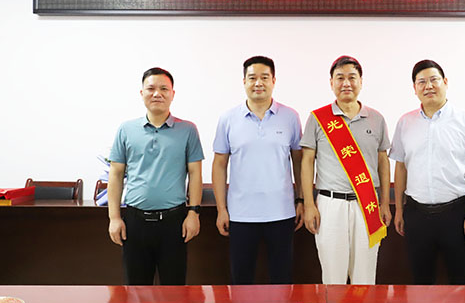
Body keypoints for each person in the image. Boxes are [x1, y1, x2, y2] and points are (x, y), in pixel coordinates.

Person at [389, 59, 465, 284]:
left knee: (460, 283)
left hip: (456, 214)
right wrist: (399, 210)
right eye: (421, 82)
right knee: (420, 283)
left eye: (434, 80)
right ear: (414, 88)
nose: (428, 86)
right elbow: (400, 167)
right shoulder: (405, 122)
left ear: (445, 82)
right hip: (417, 214)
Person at [108, 67, 204, 285]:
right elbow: (116, 174)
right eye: (151, 89)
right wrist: (114, 218)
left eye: (164, 89)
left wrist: (193, 213)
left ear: (172, 94)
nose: (157, 94)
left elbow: (195, 173)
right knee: (136, 290)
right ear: (141, 93)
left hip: (174, 222)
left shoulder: (188, 130)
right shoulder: (126, 129)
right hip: (135, 222)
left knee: (174, 289)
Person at [212, 56, 303, 284]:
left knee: (282, 281)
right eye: (252, 78)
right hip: (241, 214)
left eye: (264, 77)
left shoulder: (290, 117)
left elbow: (299, 162)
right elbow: (219, 164)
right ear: (244, 81)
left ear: (274, 81)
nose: (258, 83)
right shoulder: (228, 119)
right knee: (241, 282)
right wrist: (221, 209)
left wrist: (301, 199)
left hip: (282, 213)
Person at [300, 55, 391, 285]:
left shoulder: (376, 119)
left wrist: (384, 203)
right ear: (331, 83)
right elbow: (307, 161)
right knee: (333, 278)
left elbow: (383, 162)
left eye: (352, 77)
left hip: (367, 204)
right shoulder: (318, 119)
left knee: (365, 276)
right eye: (340, 78)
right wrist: (309, 204)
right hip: (330, 205)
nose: (346, 83)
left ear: (361, 82)